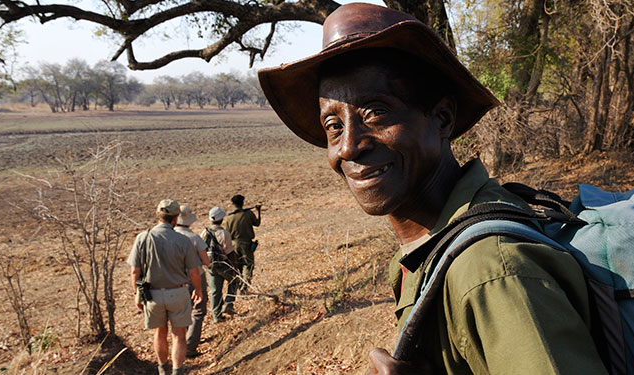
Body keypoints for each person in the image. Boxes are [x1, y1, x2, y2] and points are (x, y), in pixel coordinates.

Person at [257, 3, 607, 374]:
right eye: (333, 126)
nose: (348, 147)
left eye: (375, 113)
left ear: (442, 119)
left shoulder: (489, 270)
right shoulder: (432, 247)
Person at [127, 199, 203, 375]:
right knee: (179, 335)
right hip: (178, 292)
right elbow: (194, 272)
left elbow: (134, 271)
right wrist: (198, 289)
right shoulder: (183, 240)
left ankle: (163, 370)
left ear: (157, 215)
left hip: (152, 294)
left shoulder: (142, 238)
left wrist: (137, 293)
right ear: (176, 218)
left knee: (159, 333)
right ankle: (177, 371)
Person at [172, 204, 210, 358]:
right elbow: (206, 261)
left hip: (175, 279)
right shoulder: (194, 238)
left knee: (182, 311)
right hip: (196, 276)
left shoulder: (168, 237)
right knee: (198, 310)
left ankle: (180, 342)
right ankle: (190, 346)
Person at [221, 194, 261, 312]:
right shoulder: (248, 214)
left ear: (233, 204)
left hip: (233, 244)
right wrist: (258, 211)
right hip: (246, 243)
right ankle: (244, 287)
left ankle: (238, 286)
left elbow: (227, 233)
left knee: (236, 267)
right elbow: (257, 223)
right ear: (242, 203)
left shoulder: (229, 218)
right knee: (248, 265)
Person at [200, 206, 235, 322]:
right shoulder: (224, 233)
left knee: (215, 290)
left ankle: (216, 316)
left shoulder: (204, 232)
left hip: (210, 264)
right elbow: (230, 253)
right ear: (221, 219)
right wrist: (234, 267)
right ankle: (228, 303)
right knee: (234, 280)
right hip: (223, 263)